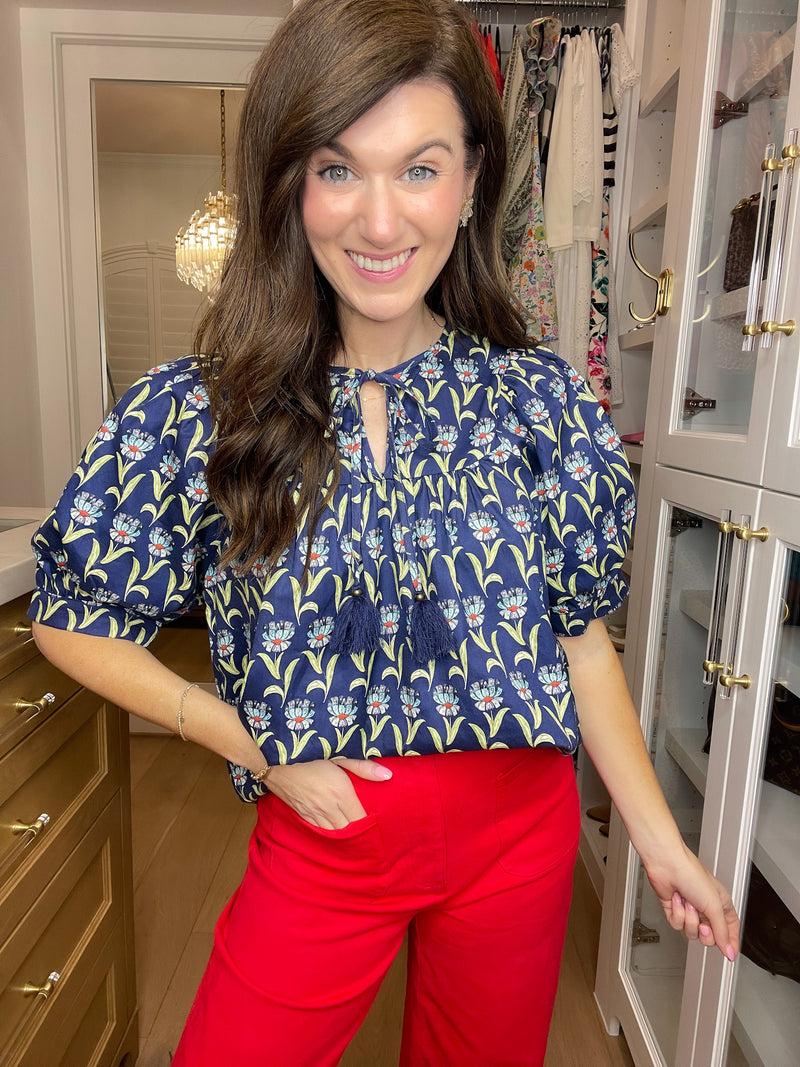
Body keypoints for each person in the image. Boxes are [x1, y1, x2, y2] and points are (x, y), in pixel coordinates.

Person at [29, 0, 739, 1063]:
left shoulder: (537, 402)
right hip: (324, 829)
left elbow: (580, 641)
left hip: (519, 831)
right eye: (336, 168)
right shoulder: (199, 408)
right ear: (288, 184)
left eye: (419, 168)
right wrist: (245, 739)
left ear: (471, 182)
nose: (376, 220)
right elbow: (70, 615)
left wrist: (659, 840)